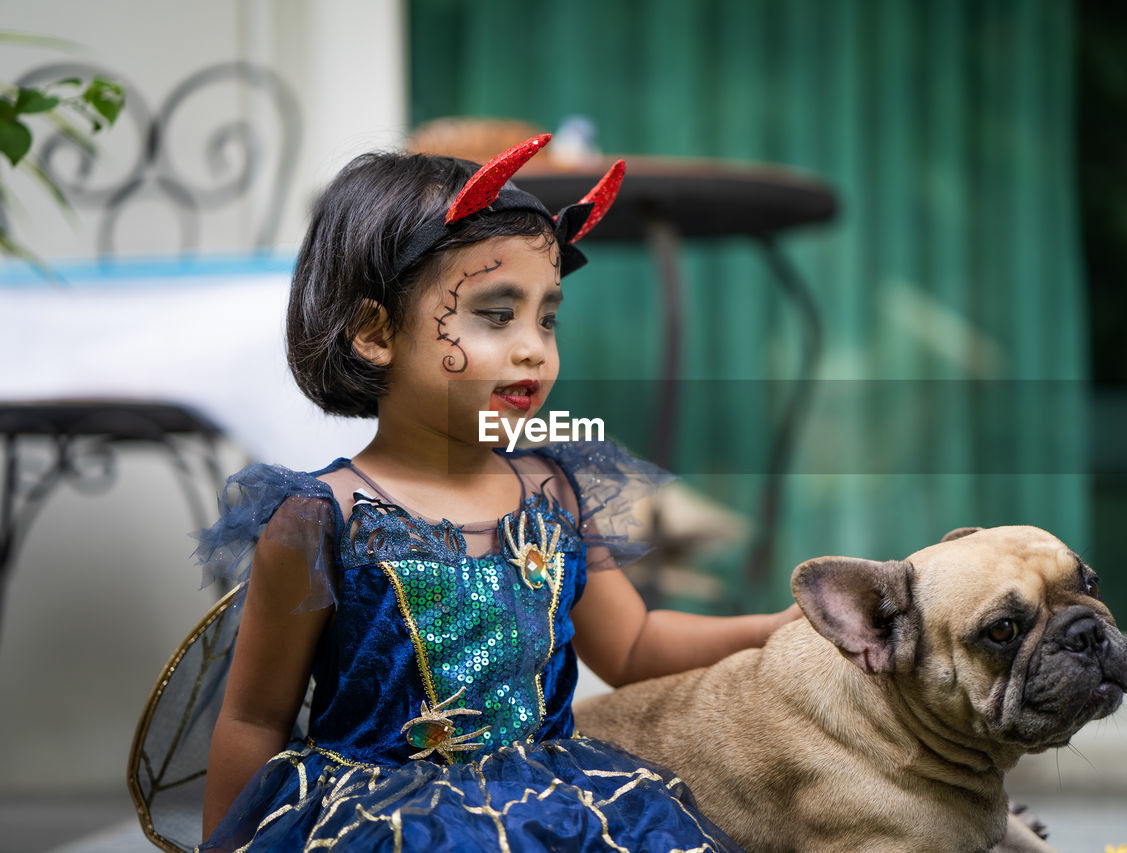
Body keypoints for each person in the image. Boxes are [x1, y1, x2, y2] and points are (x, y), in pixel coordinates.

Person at [190, 134, 798, 851]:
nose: (534, 347)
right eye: (495, 313)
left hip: (560, 811)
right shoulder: (322, 519)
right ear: (373, 332)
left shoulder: (554, 493)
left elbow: (633, 644)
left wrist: (766, 628)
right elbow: (255, 718)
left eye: (547, 317)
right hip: (382, 826)